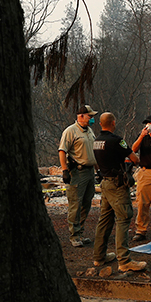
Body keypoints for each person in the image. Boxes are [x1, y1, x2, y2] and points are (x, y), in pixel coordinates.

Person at [92, 112, 146, 272]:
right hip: (116, 183)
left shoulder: (96, 141)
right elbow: (134, 159)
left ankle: (99, 257)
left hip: (105, 182)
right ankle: (124, 260)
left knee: (105, 219)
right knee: (123, 218)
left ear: (101, 124)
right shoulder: (116, 141)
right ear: (113, 123)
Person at [58, 105, 98, 247]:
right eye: (90, 116)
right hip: (77, 172)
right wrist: (64, 170)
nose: (92, 119)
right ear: (81, 116)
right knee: (75, 204)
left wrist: (97, 169)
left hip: (89, 171)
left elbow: (93, 152)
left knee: (86, 203)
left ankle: (80, 232)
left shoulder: (90, 131)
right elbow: (62, 150)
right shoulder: (70, 131)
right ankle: (74, 235)